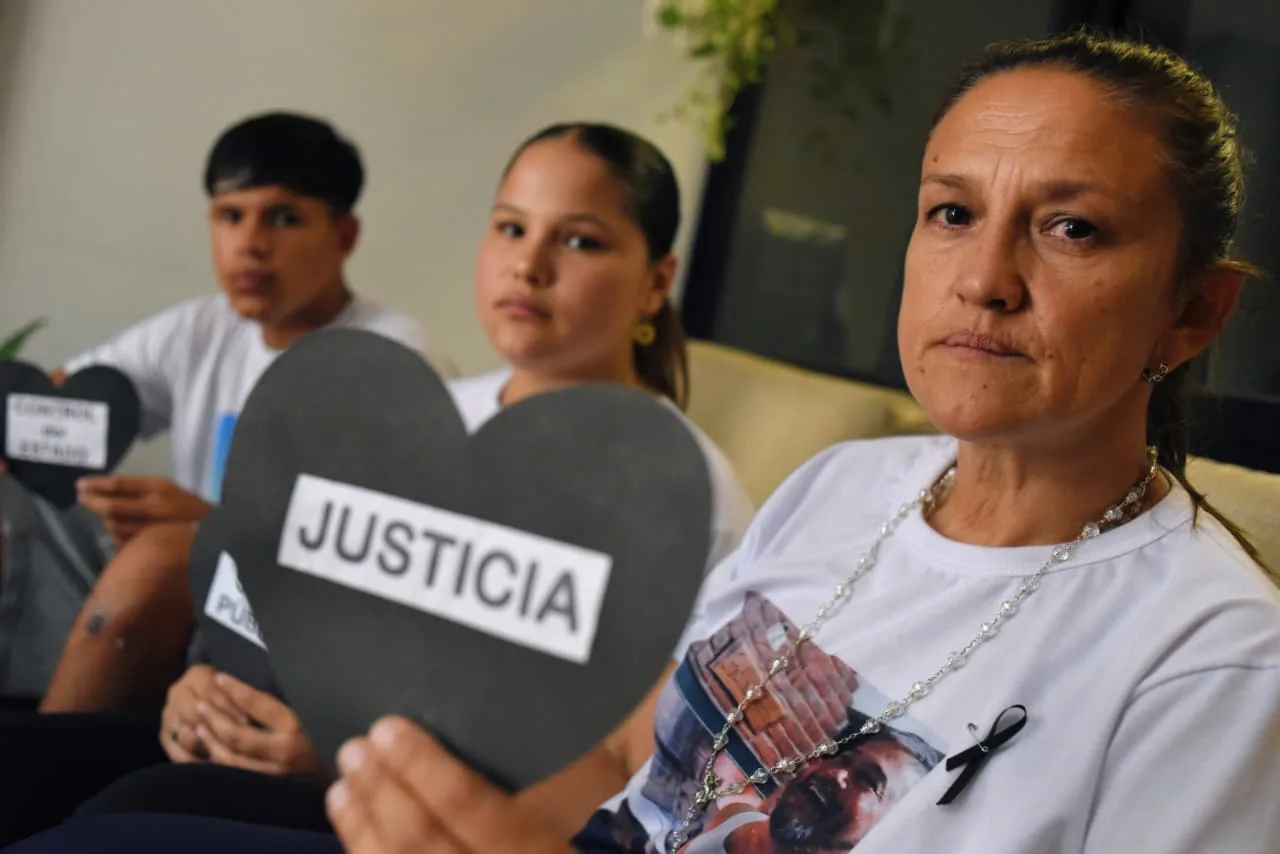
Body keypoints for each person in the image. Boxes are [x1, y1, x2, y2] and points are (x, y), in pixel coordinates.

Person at [14, 29, 1279, 854]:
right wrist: (410, 792)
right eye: (950, 212)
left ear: (1193, 309)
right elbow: (630, 751)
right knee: (103, 805)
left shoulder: (1213, 660)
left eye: (1070, 229)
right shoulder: (844, 486)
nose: (982, 279)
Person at [0, 122, 755, 846]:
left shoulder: (691, 503)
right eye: (511, 228)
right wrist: (202, 690)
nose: (529, 265)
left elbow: (659, 773)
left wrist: (351, 755)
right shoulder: (418, 421)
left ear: (657, 282)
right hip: (286, 741)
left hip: (423, 809)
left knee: (130, 809)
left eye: (580, 240)